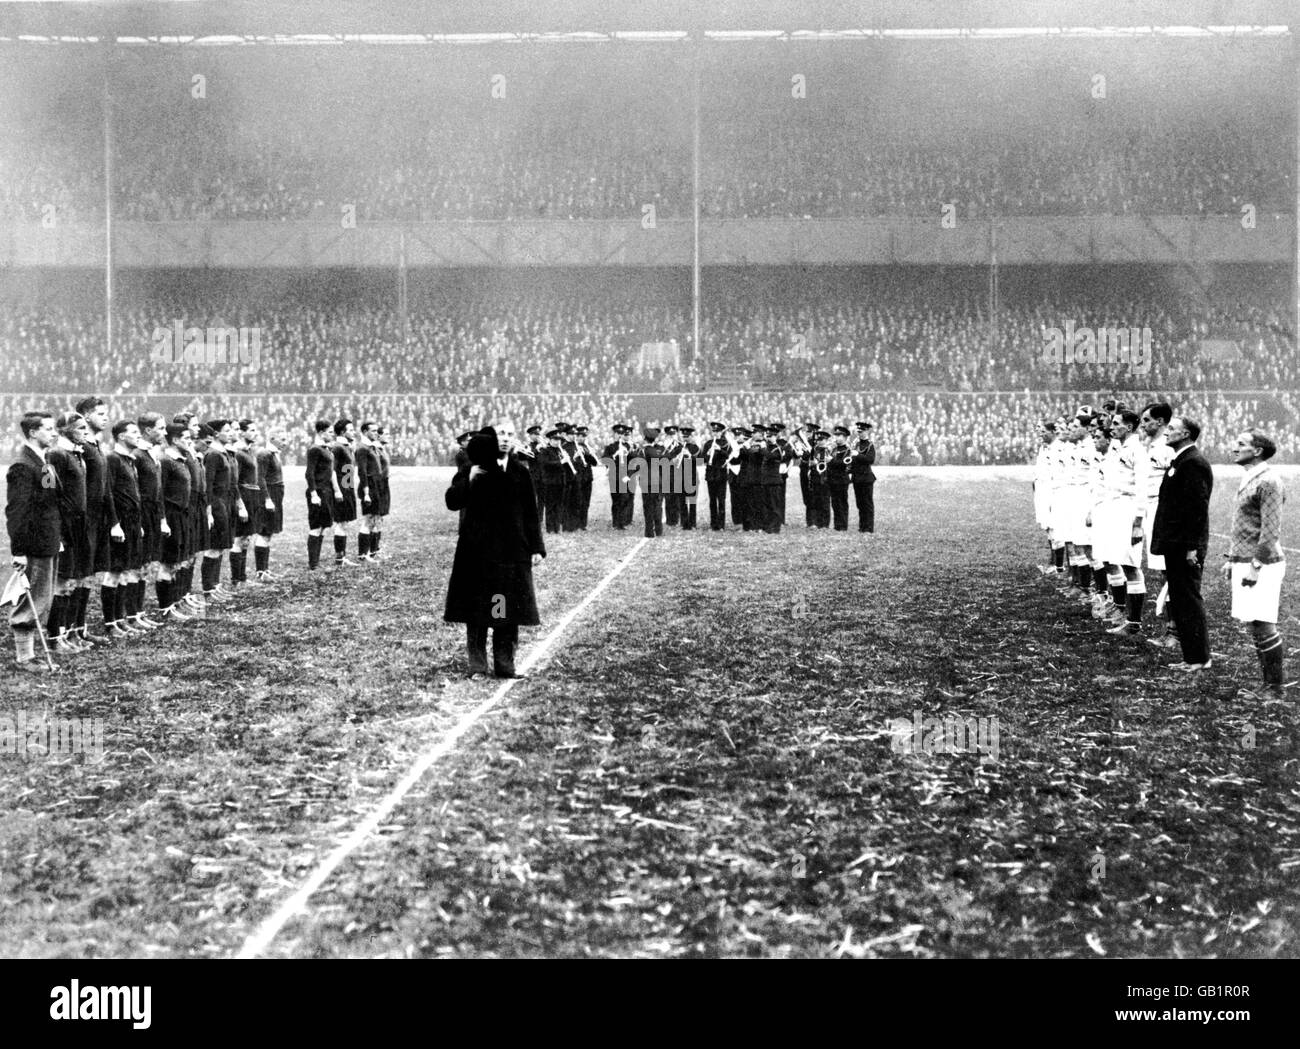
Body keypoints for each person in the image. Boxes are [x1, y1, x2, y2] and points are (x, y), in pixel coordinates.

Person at [444, 424, 545, 679]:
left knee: (504, 607)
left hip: (511, 553)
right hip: (477, 551)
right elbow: (452, 501)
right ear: (490, 439)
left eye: (510, 435)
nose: (505, 440)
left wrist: (536, 547)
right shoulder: (472, 468)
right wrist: (469, 479)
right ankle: (478, 666)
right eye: (501, 435)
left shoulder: (520, 471)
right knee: (478, 609)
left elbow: (530, 513)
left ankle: (505, 665)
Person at [1220, 430, 1288, 698]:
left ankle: (1274, 688)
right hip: (1246, 560)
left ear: (1257, 450)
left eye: (1240, 444)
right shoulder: (1250, 477)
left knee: (1263, 622)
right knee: (1255, 623)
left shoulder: (1269, 480)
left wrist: (1255, 566)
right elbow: (1245, 526)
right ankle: (1268, 685)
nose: (1234, 447)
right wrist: (1232, 559)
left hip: (1263, 563)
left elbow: (1270, 532)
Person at [1150, 416, 1214, 672]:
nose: (1167, 432)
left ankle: (1199, 658)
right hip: (1175, 543)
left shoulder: (1193, 463)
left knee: (1188, 599)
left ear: (1186, 434)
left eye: (1172, 429)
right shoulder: (1181, 460)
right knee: (1180, 598)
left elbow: (1197, 509)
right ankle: (1191, 656)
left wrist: (1192, 548)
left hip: (1185, 545)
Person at [6, 411, 61, 673]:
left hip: (49, 539)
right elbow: (17, 511)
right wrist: (19, 550)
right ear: (32, 433)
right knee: (33, 598)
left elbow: (49, 501)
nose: (54, 433)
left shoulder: (44, 461)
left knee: (43, 596)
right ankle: (24, 656)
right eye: (48, 429)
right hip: (34, 543)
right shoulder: (23, 466)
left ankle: (29, 653)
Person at [850, 421, 877, 533]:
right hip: (857, 477)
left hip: (866, 478)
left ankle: (869, 528)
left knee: (867, 503)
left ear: (866, 431)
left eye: (862, 432)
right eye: (858, 432)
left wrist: (858, 455)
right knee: (860, 503)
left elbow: (870, 460)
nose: (859, 434)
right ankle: (862, 526)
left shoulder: (870, 445)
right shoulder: (856, 444)